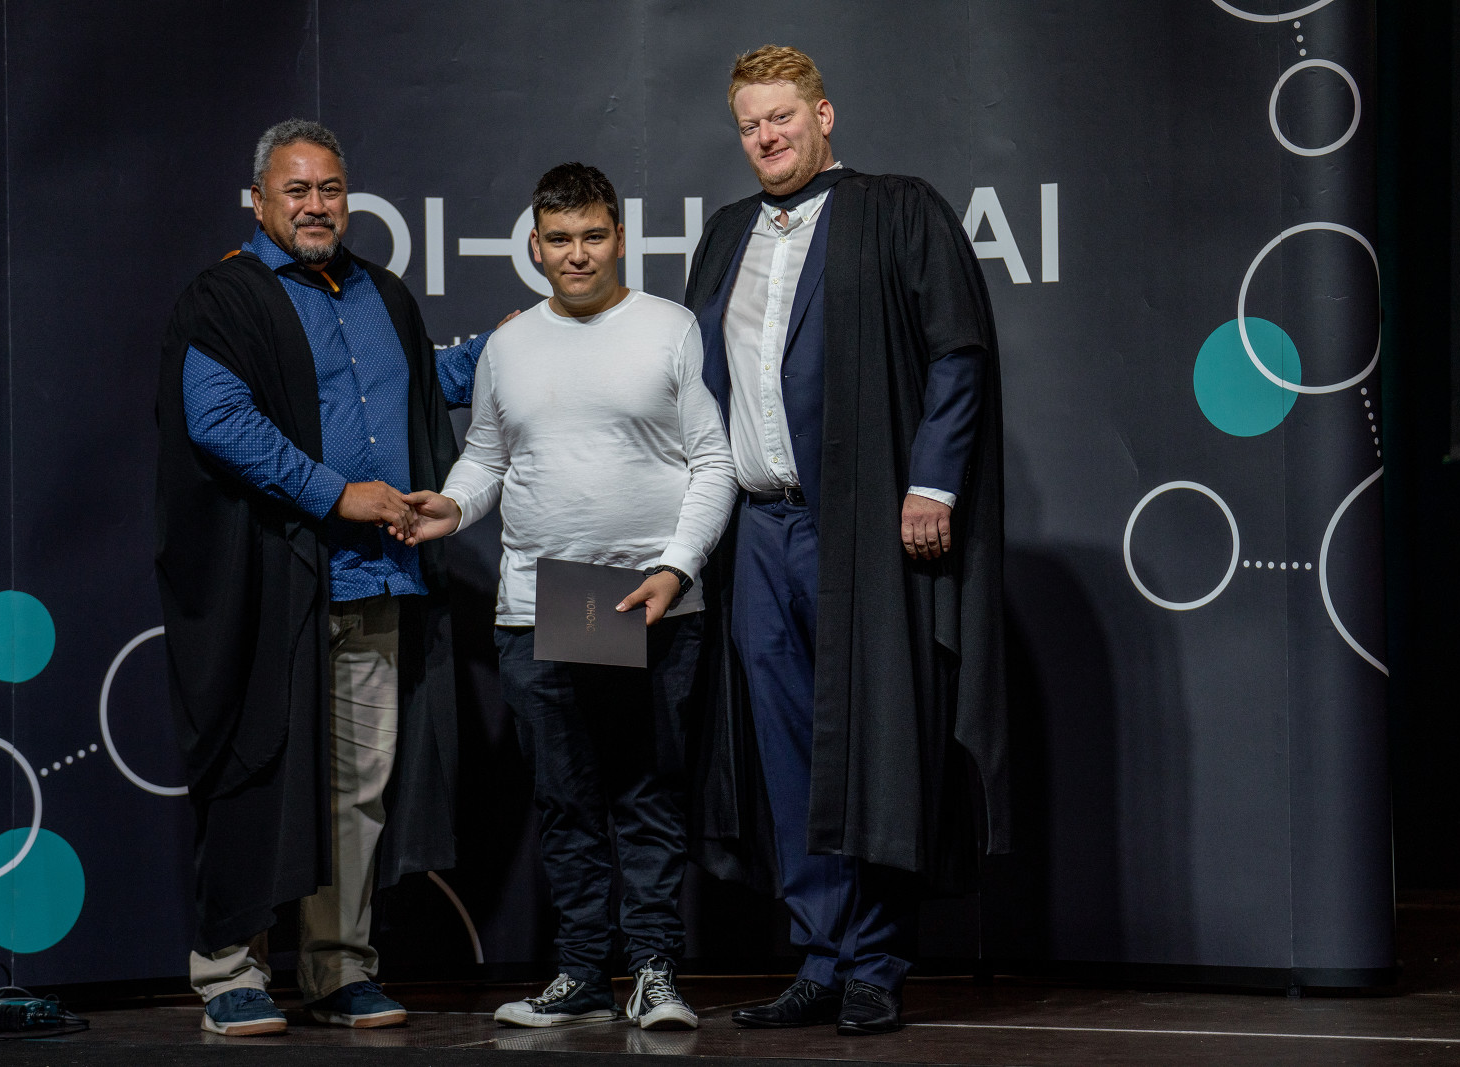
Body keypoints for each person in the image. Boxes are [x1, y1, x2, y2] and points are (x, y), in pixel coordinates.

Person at [683, 46, 1011, 1036]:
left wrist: (930, 482)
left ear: (822, 115)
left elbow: (957, 350)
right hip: (758, 528)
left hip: (861, 528)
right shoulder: (726, 235)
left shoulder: (897, 208)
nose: (766, 137)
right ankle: (819, 956)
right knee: (785, 750)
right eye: (750, 124)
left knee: (870, 744)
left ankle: (874, 961)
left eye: (782, 117)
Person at [155, 119, 503, 1037]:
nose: (316, 206)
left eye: (331, 189)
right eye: (297, 189)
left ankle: (339, 967)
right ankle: (231, 969)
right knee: (256, 774)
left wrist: (509, 347)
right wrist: (336, 493)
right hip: (272, 591)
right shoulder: (224, 298)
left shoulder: (384, 294)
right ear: (259, 199)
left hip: (376, 581)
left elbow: (415, 383)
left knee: (356, 791)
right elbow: (218, 421)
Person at [398, 163, 737, 1030]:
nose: (576, 254)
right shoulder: (508, 346)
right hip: (539, 606)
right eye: (559, 239)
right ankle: (582, 973)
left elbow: (714, 461)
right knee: (565, 801)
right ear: (536, 245)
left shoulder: (669, 328)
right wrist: (454, 504)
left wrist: (677, 568)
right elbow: (487, 456)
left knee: (647, 795)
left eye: (592, 236)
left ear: (618, 237)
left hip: (650, 603)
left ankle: (654, 971)